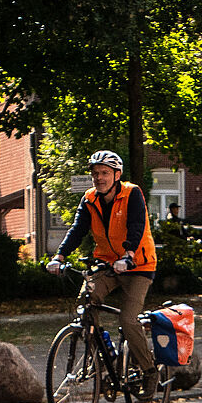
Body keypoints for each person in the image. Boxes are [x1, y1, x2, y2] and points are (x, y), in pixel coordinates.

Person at [46, 150, 158, 388]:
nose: (99, 178)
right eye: (95, 173)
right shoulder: (89, 198)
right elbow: (77, 229)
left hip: (138, 265)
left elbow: (136, 227)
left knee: (128, 321)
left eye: (105, 173)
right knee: (87, 299)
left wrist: (128, 256)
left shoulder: (132, 193)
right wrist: (60, 255)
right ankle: (103, 355)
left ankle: (149, 371)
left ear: (117, 175)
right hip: (107, 263)